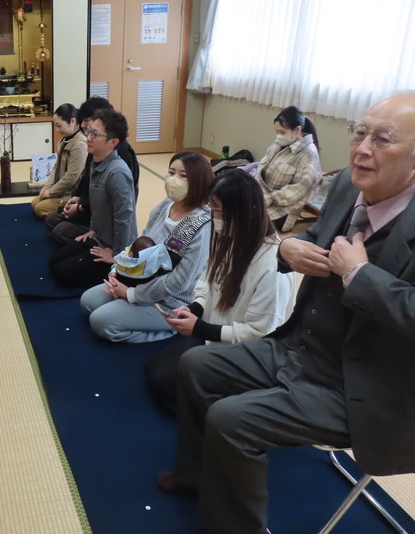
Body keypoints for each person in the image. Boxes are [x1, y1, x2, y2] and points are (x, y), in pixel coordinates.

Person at [158, 91, 415, 534]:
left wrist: (359, 276)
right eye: (359, 133)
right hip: (300, 347)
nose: (362, 149)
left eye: (382, 139)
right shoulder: (346, 185)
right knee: (196, 364)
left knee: (232, 420)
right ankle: (195, 477)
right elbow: (311, 238)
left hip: (366, 385)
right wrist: (289, 247)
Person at [144, 169, 295, 414]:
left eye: (219, 212)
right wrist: (196, 308)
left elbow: (261, 333)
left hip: (246, 351)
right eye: (213, 210)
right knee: (154, 370)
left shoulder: (272, 264)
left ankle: (236, 407)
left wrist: (201, 328)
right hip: (216, 334)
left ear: (246, 211)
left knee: (165, 384)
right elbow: (207, 281)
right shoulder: (230, 237)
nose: (215, 219)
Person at [80, 151, 213, 343]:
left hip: (171, 301)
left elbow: (179, 282)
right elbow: (139, 244)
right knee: (88, 302)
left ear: (199, 182)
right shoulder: (166, 204)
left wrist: (131, 294)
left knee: (100, 321)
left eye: (183, 176)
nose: (174, 179)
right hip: (139, 281)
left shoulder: (201, 224)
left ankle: (169, 329)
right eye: (171, 172)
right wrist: (117, 271)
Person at [48, 107, 137, 288]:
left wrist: (116, 256)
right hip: (98, 238)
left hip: (114, 249)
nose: (88, 137)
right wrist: (93, 231)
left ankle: (118, 273)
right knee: (54, 261)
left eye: (95, 134)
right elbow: (98, 208)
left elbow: (124, 220)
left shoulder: (117, 173)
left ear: (113, 142)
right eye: (88, 131)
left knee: (62, 273)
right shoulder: (96, 162)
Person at [46, 96, 140, 244]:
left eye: (87, 121)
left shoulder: (121, 156)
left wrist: (80, 208)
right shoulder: (94, 145)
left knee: (60, 231)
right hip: (89, 209)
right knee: (52, 220)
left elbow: (121, 211)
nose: (83, 126)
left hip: (102, 219)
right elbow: (86, 178)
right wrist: (77, 197)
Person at [255, 105, 322, 232]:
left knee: (242, 220)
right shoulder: (278, 144)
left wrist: (267, 199)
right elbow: (261, 171)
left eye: (282, 132)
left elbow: (297, 192)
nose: (278, 136)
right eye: (277, 132)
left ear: (297, 130)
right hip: (263, 198)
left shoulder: (309, 154)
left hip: (282, 211)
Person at [31, 103, 87, 218]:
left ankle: (70, 213)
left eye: (59, 126)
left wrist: (51, 192)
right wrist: (47, 186)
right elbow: (56, 166)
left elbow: (71, 177)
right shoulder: (64, 140)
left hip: (71, 194)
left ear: (72, 121)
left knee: (39, 208)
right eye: (55, 126)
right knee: (35, 203)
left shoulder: (80, 144)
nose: (57, 130)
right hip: (60, 189)